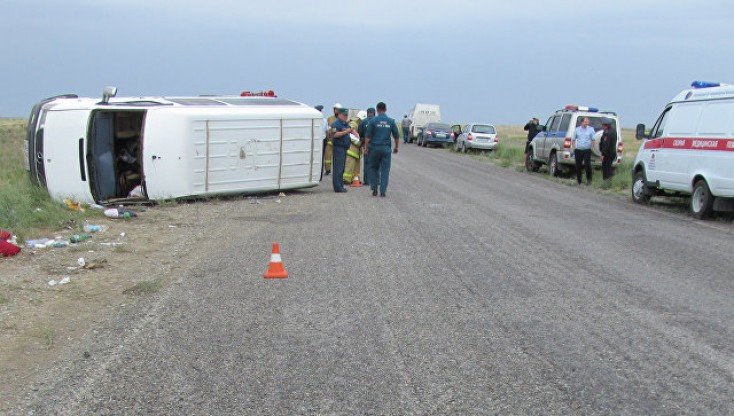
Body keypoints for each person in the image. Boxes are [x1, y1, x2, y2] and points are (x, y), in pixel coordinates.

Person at [364, 102, 399, 197]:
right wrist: (396, 147)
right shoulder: (391, 121)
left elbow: (367, 136)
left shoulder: (373, 121)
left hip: (374, 148)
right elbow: (396, 136)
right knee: (385, 170)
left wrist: (366, 148)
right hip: (386, 149)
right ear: (386, 109)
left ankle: (374, 188)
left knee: (373, 168)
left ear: (377, 110)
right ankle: (383, 191)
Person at [330, 107, 353, 193]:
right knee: (338, 168)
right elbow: (335, 135)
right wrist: (345, 132)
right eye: (344, 115)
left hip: (344, 148)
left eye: (346, 115)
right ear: (339, 114)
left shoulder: (345, 124)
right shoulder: (335, 124)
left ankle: (340, 185)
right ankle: (337, 187)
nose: (345, 117)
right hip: (338, 148)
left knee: (342, 168)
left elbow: (350, 129)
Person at [572, 117, 596, 185]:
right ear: (581, 122)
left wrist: (591, 148)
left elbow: (593, 140)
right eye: (585, 122)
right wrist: (574, 148)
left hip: (587, 150)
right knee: (578, 166)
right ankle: (579, 180)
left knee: (587, 165)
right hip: (578, 150)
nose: (586, 123)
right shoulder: (577, 130)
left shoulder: (591, 129)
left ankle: (589, 180)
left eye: (587, 122)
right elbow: (573, 139)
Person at [358, 108, 376, 186]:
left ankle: (367, 181)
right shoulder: (377, 121)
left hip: (367, 145)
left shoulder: (363, 122)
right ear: (374, 113)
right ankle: (376, 181)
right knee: (376, 163)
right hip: (376, 145)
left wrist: (362, 143)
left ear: (367, 113)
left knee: (367, 163)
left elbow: (359, 134)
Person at [324, 103, 343, 175]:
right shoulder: (329, 118)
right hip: (330, 141)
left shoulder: (342, 119)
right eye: (335, 109)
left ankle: (337, 169)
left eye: (337, 109)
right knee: (327, 157)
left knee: (337, 157)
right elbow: (328, 129)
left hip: (338, 141)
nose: (336, 111)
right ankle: (327, 169)